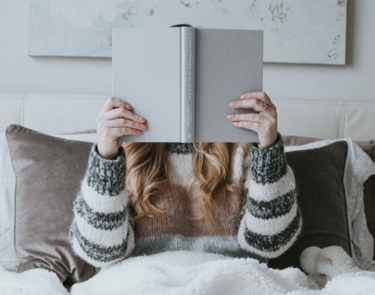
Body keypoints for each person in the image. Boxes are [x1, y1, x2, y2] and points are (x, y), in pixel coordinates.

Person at [68, 92, 303, 268]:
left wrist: (269, 151)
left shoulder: (246, 150)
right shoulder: (125, 153)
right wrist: (106, 158)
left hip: (230, 281)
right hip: (142, 285)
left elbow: (271, 243)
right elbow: (98, 251)